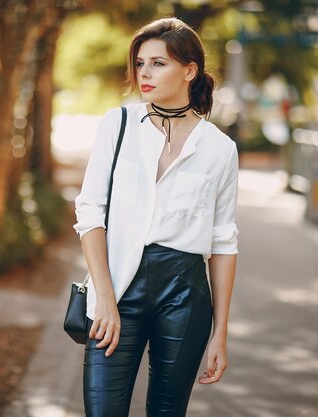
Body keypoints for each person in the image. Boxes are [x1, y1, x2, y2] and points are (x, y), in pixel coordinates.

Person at [73, 17, 239, 417]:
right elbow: (90, 212)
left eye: (158, 63)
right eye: (141, 62)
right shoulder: (119, 124)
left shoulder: (220, 149)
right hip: (118, 287)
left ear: (189, 70)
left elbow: (223, 242)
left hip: (185, 294)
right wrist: (107, 301)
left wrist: (220, 334)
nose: (144, 72)